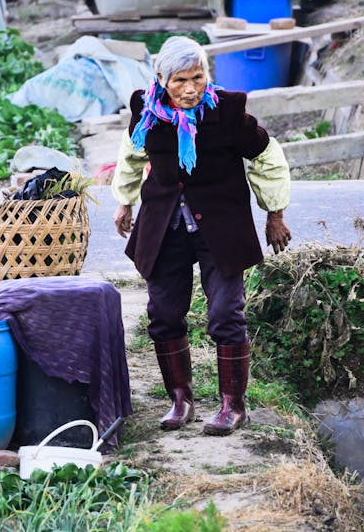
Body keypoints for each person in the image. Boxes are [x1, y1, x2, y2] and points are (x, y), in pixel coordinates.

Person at [112, 35, 291, 436]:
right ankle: (181, 399)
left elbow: (267, 155)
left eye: (198, 77)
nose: (191, 89)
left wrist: (274, 213)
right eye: (180, 81)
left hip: (220, 226)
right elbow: (132, 152)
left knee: (226, 314)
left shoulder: (227, 111)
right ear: (160, 79)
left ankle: (233, 405)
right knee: (162, 314)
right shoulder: (146, 110)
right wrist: (124, 202)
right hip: (165, 225)